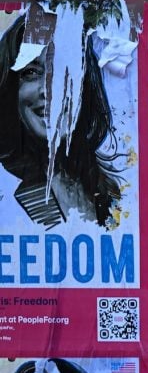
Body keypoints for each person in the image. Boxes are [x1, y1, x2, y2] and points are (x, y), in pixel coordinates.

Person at [0, 13, 122, 227]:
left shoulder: (111, 189)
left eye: (64, 71)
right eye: (30, 72)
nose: (49, 89)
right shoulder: (8, 197)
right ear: (11, 92)